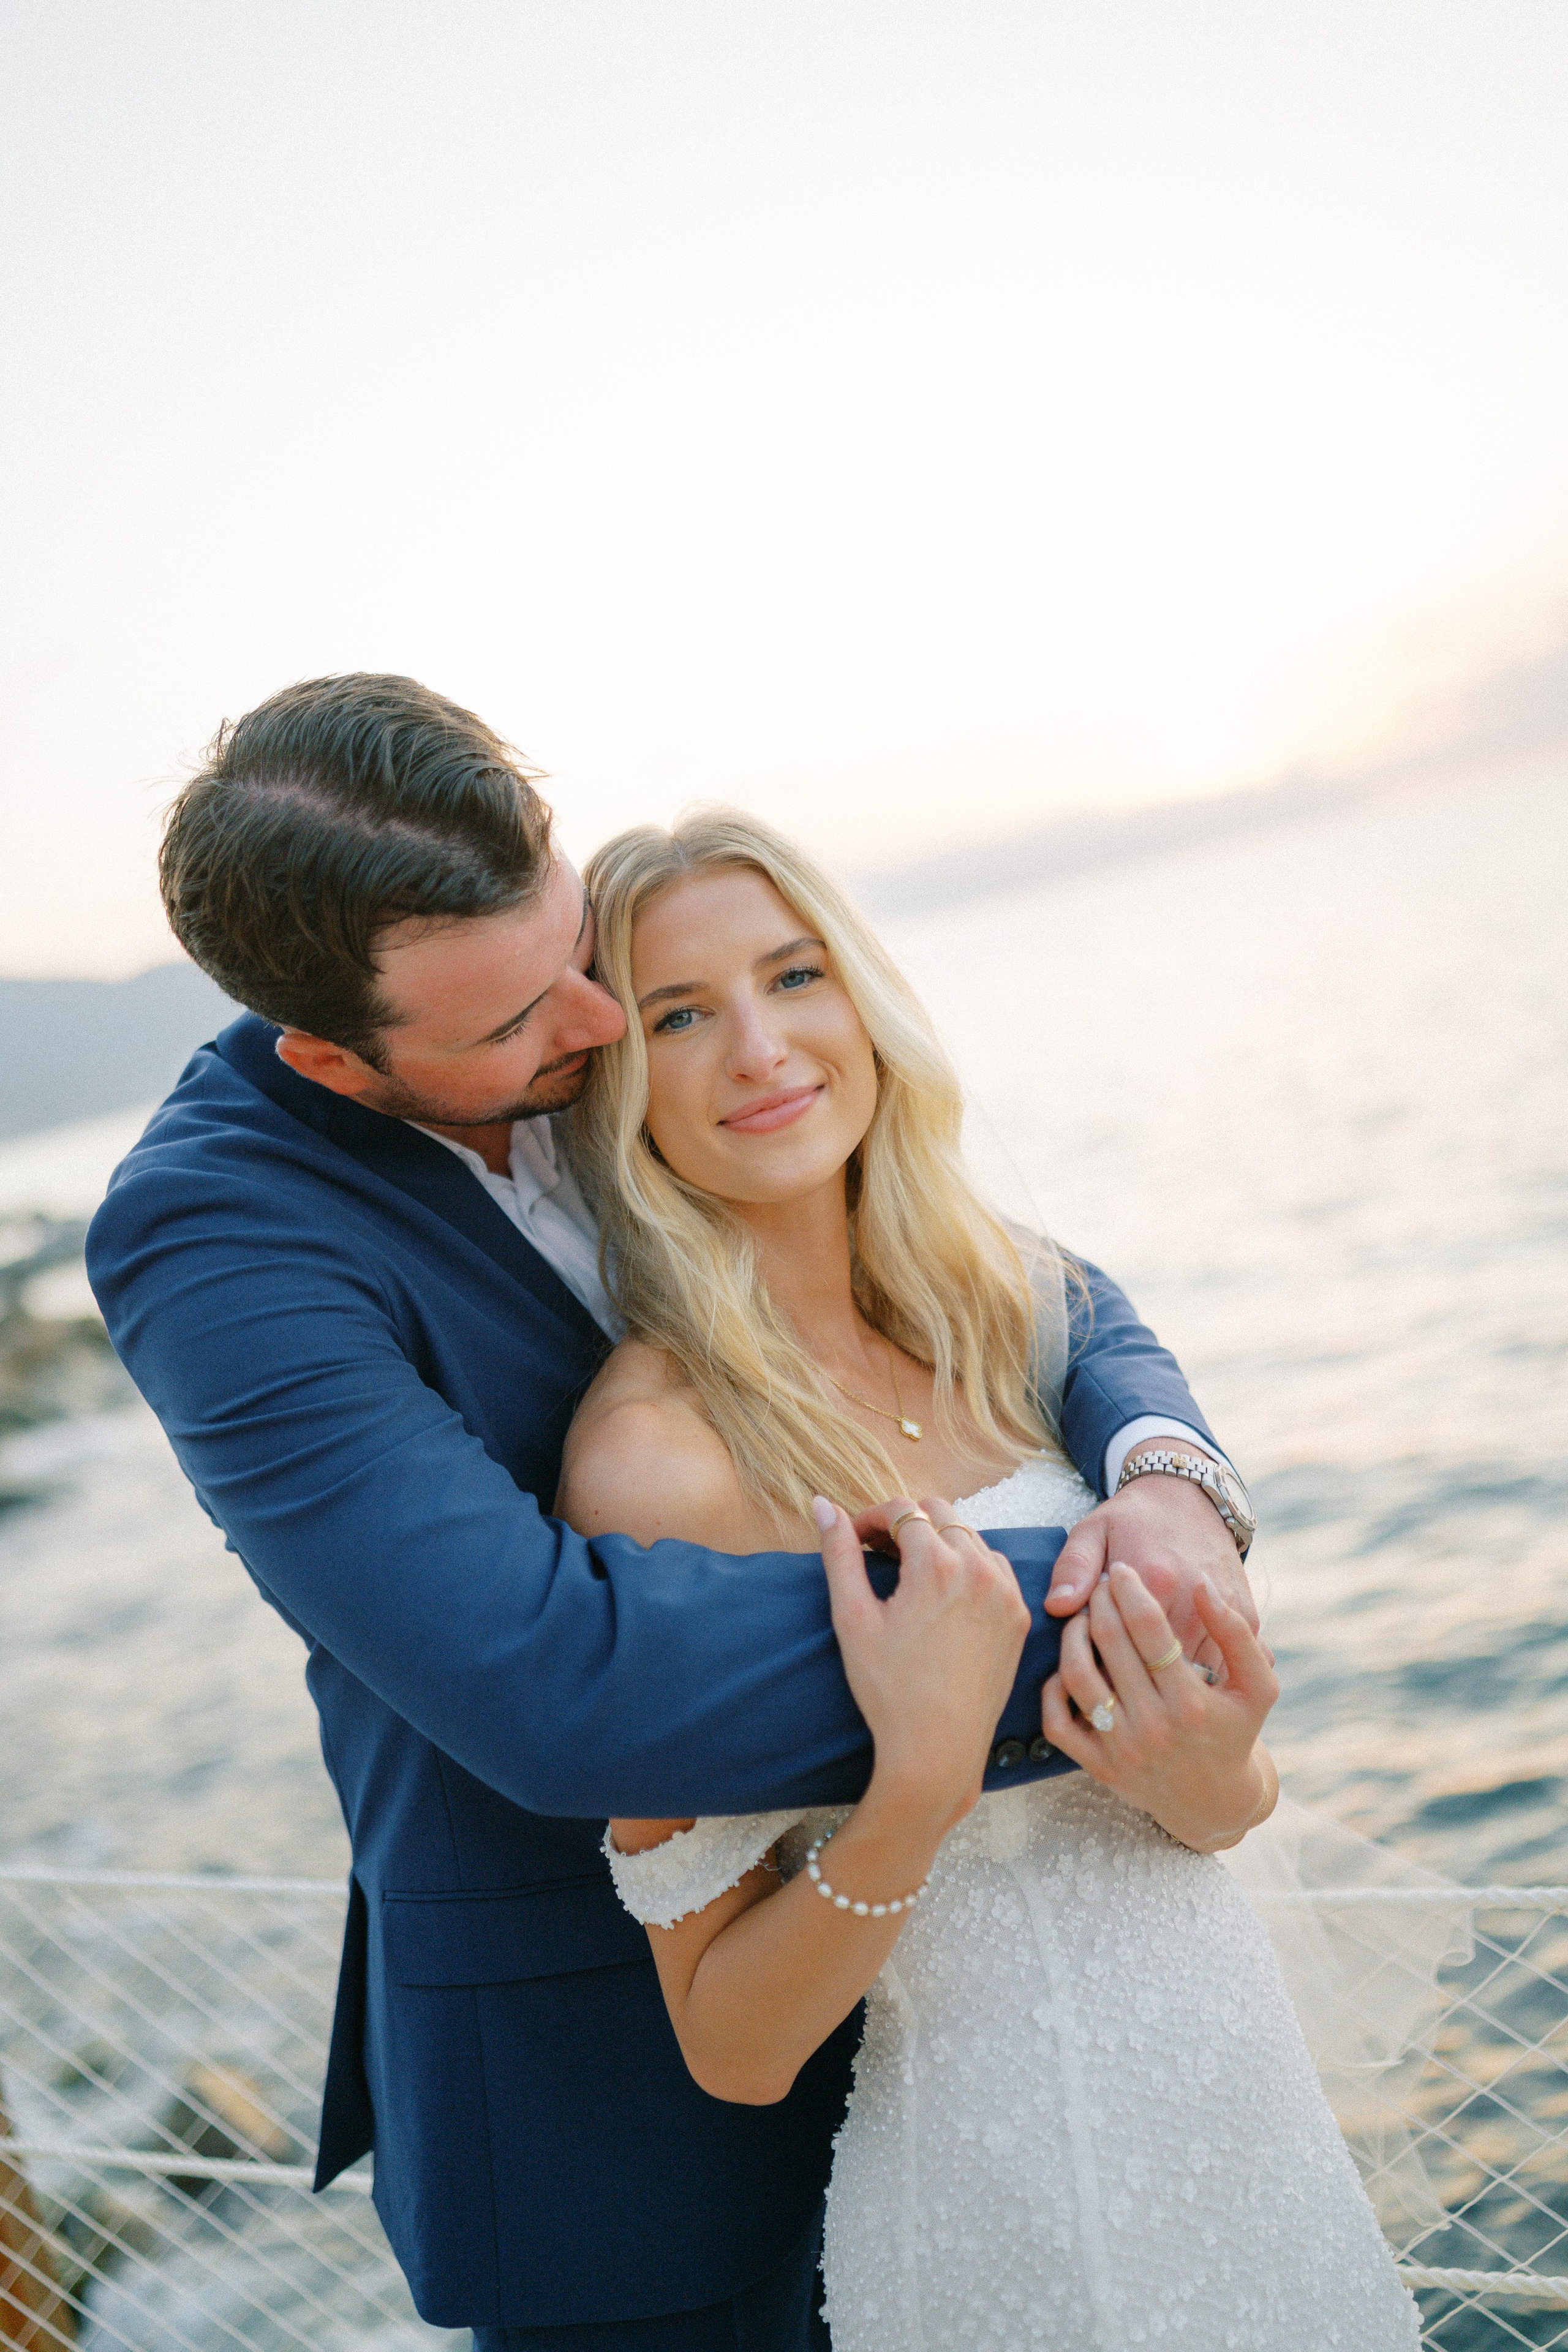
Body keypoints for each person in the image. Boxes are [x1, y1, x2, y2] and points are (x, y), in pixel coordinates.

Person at [87, 673, 1256, 2350]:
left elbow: (1017, 1289)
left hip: (980, 2032)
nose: (599, 1023)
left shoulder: (608, 1018)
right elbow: (556, 1683)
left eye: (576, 946)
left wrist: (1169, 1485)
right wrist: (1122, 1635)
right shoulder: (217, 1244)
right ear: (332, 1057)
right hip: (621, 2101)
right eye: (512, 1025)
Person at [557, 810, 1422, 2348]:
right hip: (1011, 2206)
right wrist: (918, 1783)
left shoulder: (1009, 1323)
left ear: (863, 1002)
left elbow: (1212, 1821)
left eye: (793, 974)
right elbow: (733, 2047)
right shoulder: (657, 1459)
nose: (758, 1048)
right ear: (620, 1081)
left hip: (1256, 2142)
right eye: (680, 1013)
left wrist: (1217, 1764)